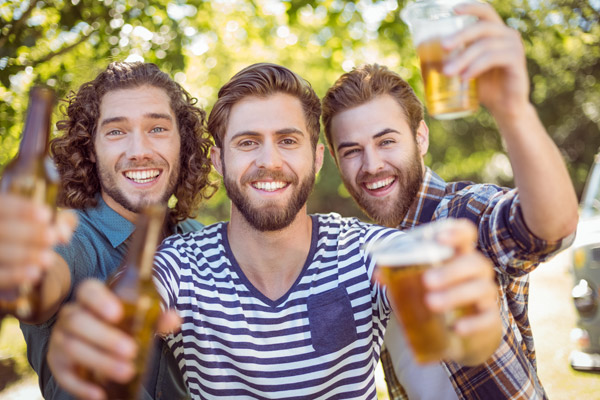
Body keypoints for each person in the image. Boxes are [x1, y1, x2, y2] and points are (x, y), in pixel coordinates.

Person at [47, 62, 502, 400]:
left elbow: (461, 332)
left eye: (287, 141)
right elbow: (134, 298)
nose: (268, 161)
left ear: (317, 158)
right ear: (219, 161)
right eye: (247, 143)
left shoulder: (366, 251)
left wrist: (474, 324)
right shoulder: (180, 264)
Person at [321, 3, 578, 399]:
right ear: (336, 160)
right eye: (352, 150)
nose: (372, 165)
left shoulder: (460, 213)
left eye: (387, 141)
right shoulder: (371, 251)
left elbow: (549, 229)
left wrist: (512, 109)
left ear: (420, 138)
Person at [2, 62, 216, 399]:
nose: (140, 151)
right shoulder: (71, 239)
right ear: (91, 149)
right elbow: (41, 279)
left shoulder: (200, 239)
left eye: (157, 128)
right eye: (116, 131)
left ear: (183, 143)